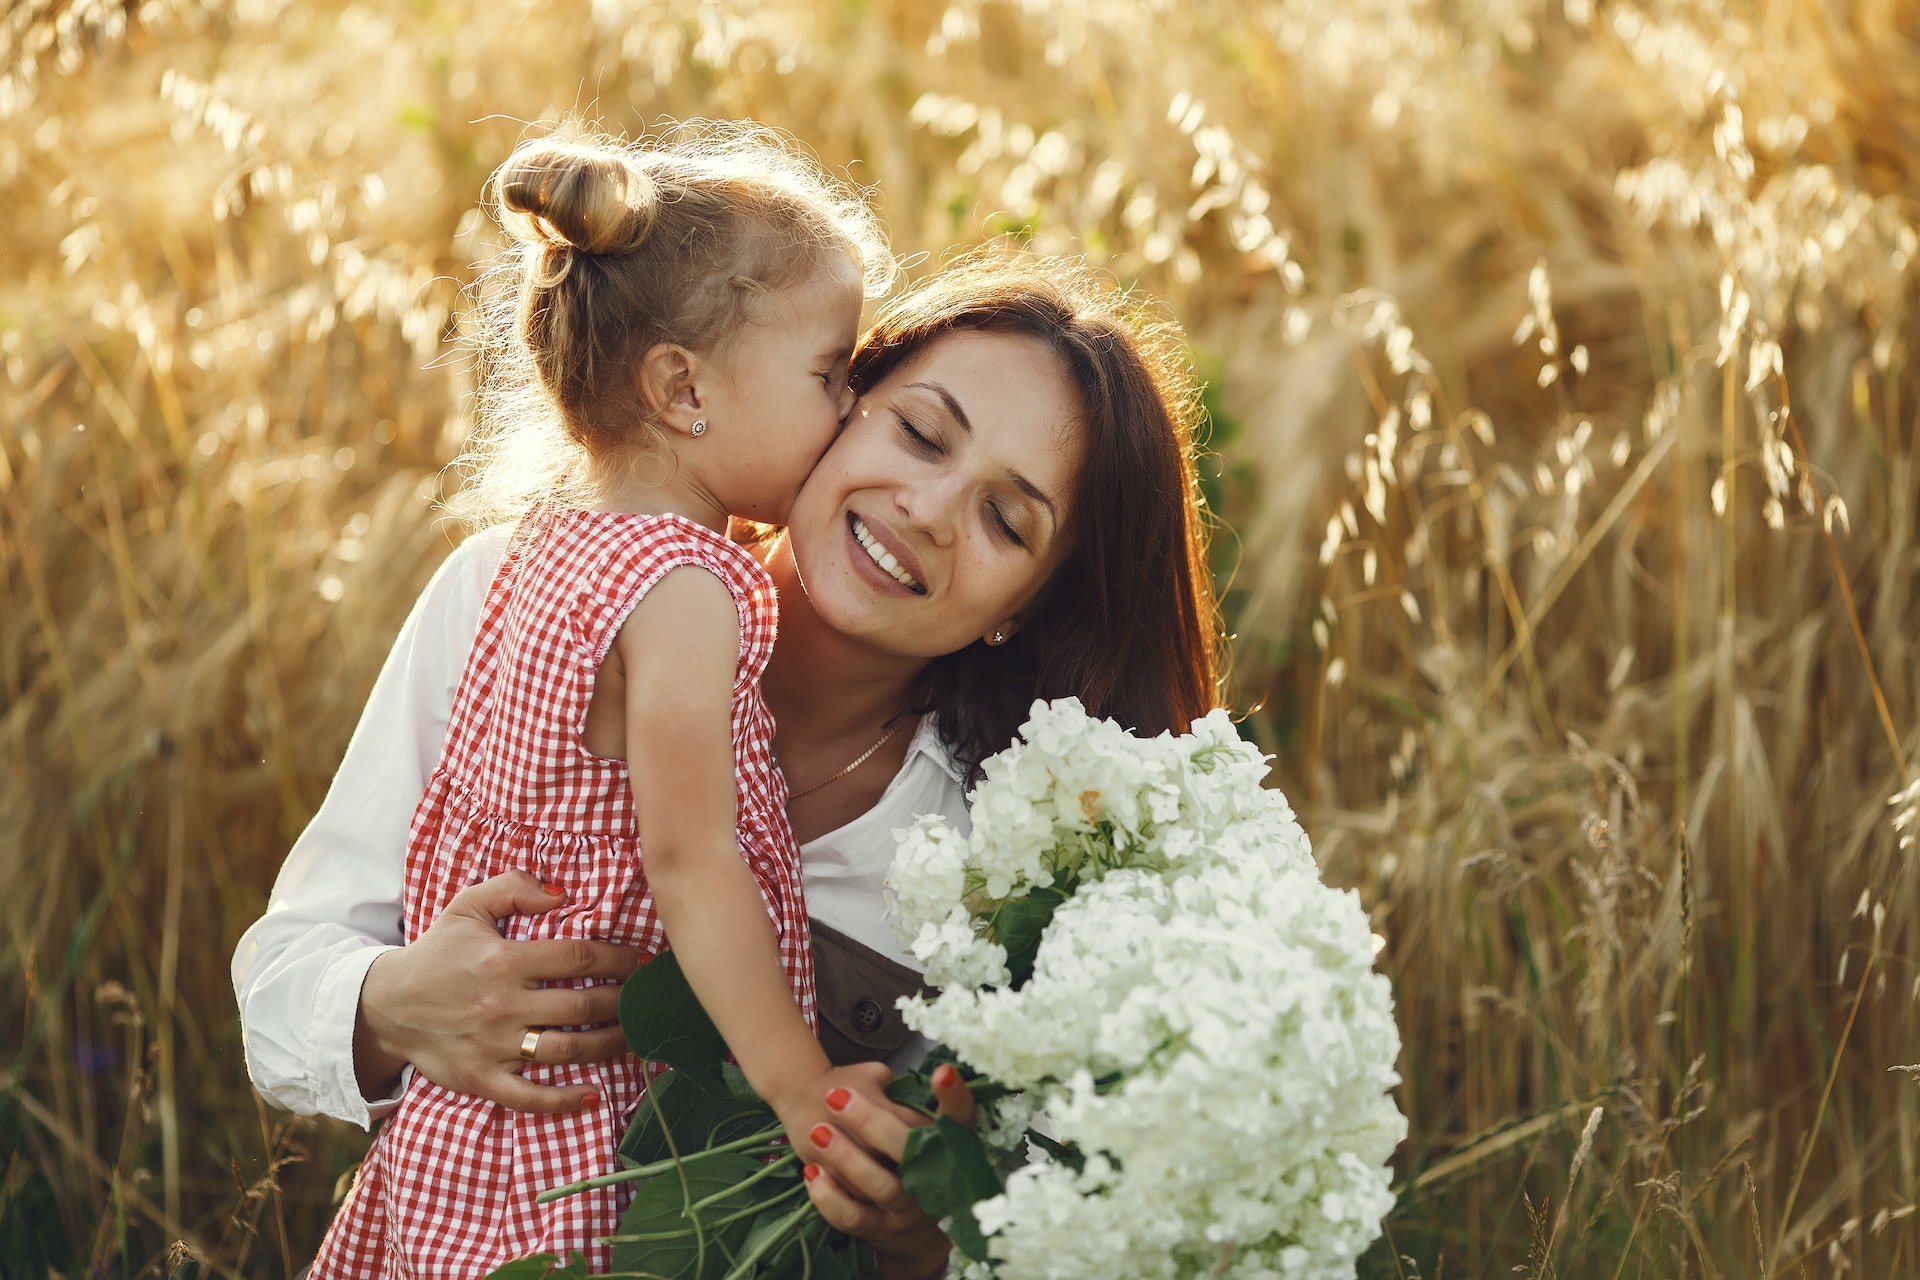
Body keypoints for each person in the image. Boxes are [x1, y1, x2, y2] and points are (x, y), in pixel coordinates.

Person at [234, 242, 1223, 1277]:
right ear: (840, 401)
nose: (928, 510)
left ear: (1020, 608)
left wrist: (927, 1232)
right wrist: (388, 1004)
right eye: (922, 432)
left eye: (1005, 519)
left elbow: (1050, 1214)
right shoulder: (516, 600)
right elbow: (283, 980)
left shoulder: (1000, 850)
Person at [300, 123, 902, 1276]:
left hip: (473, 1123)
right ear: (682, 387)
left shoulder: (541, 550)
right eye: (829, 374)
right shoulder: (684, 588)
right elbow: (690, 861)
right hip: (585, 1135)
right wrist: (798, 1085)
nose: (847, 410)